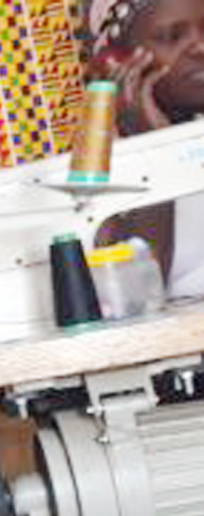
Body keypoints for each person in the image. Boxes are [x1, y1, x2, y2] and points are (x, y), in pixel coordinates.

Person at [88, 0, 204, 297]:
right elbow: (134, 300)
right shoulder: (93, 164)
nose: (199, 48)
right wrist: (151, 149)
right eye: (171, 37)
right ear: (117, 60)